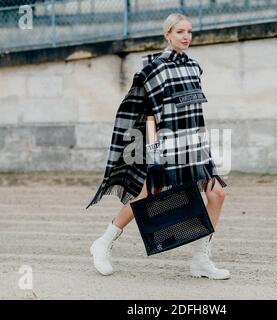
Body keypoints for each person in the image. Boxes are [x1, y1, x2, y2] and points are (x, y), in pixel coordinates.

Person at [86, 13, 230, 280]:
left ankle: (201, 259)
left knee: (217, 195)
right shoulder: (154, 68)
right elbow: (148, 114)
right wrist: (153, 153)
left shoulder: (194, 67)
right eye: (180, 32)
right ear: (167, 35)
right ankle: (103, 243)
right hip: (165, 145)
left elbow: (194, 110)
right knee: (145, 196)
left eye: (189, 32)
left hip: (194, 144)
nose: (186, 36)